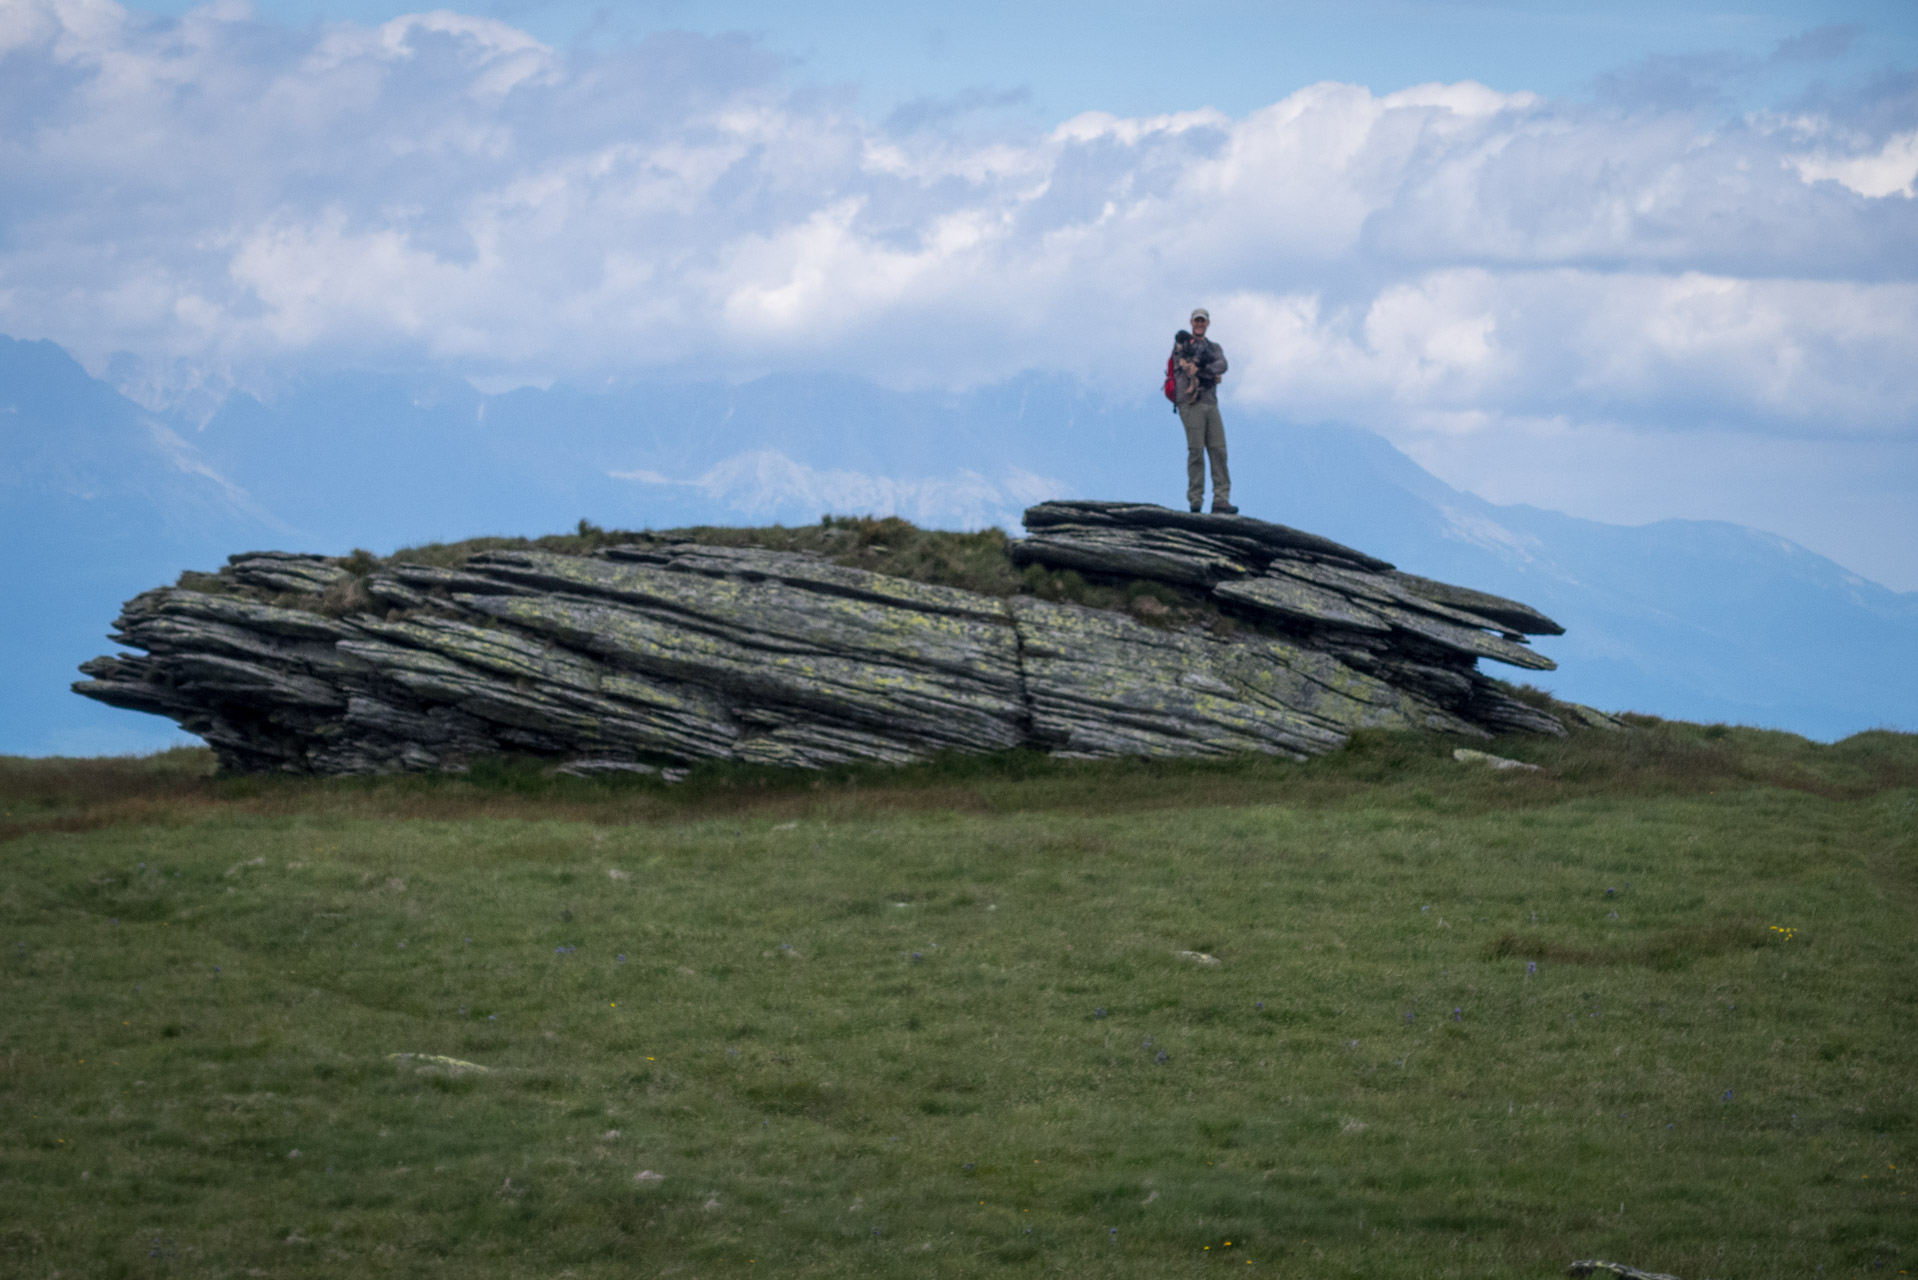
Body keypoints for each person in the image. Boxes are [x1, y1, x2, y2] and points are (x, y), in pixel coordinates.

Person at [1172, 308, 1235, 514]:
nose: (1199, 324)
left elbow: (1222, 364)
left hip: (1210, 403)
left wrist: (1202, 370)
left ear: (1207, 323)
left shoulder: (1214, 347)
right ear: (1191, 322)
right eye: (1197, 321)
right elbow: (1185, 366)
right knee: (1196, 451)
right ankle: (1195, 500)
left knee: (1219, 450)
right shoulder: (1181, 346)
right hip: (1190, 404)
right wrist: (1208, 371)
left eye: (1203, 321)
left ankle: (1221, 499)